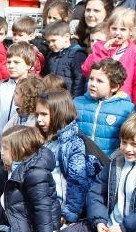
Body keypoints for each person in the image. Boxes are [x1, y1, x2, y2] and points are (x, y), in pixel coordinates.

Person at [35, 89, 94, 224]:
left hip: (57, 207)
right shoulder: (42, 137)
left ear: (59, 114)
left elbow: (77, 181)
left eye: (44, 114)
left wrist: (69, 213)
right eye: (37, 114)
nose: (39, 119)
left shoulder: (74, 143)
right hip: (41, 201)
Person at [0, 125, 61, 232]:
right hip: (18, 215)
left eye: (5, 149)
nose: (1, 153)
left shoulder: (35, 173)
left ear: (20, 150)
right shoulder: (16, 165)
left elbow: (42, 205)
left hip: (34, 225)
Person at [0, 42, 36, 190]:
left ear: (29, 65)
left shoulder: (33, 88)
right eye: (9, 62)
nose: (11, 66)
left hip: (19, 151)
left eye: (16, 62)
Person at [82, 8, 136, 103]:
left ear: (131, 32)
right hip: (96, 99)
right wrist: (102, 51)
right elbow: (86, 70)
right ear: (108, 29)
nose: (117, 33)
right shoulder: (100, 46)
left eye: (123, 29)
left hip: (121, 102)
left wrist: (135, 107)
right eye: (114, 28)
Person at [75, 58, 135, 156]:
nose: (92, 84)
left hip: (108, 162)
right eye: (91, 79)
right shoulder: (77, 103)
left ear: (114, 86)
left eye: (99, 81)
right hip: (80, 159)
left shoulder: (127, 109)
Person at [43, 21, 88, 97]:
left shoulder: (77, 54)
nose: (50, 44)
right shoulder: (51, 55)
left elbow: (79, 80)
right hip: (52, 97)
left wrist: (75, 99)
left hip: (68, 98)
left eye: (53, 40)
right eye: (48, 41)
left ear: (66, 37)